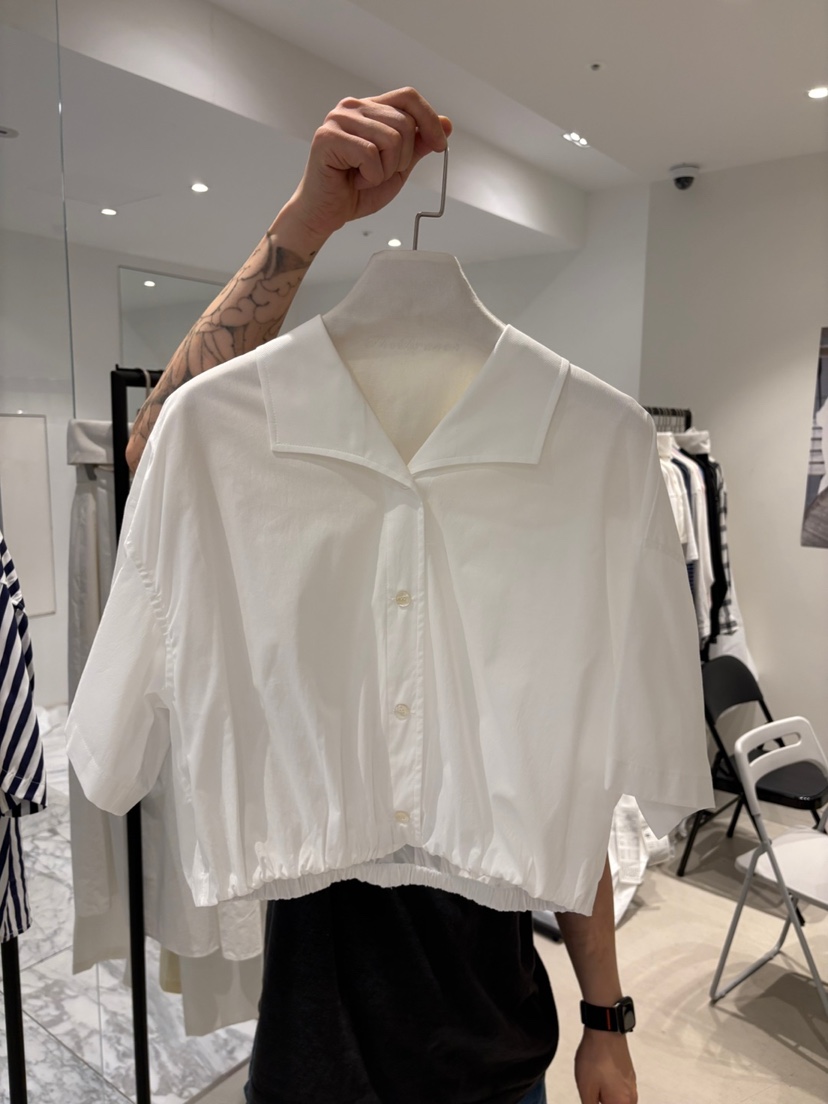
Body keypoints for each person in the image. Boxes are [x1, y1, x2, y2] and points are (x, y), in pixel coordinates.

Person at [126, 88, 638, 1104]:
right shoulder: (272, 473)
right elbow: (162, 446)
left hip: (496, 1048)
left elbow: (573, 796)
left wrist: (606, 1019)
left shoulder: (549, 507)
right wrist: (304, 224)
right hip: (315, 1050)